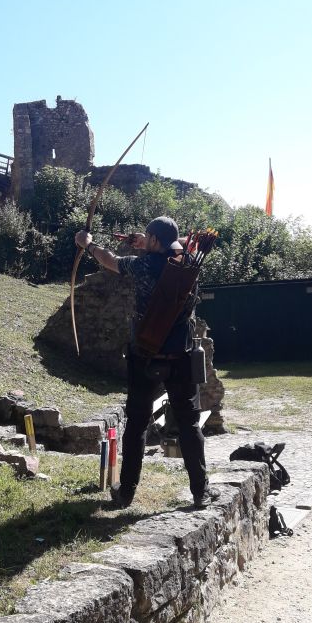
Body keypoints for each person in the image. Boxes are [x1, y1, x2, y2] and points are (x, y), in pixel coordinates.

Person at [74, 216, 220, 510]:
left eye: (149, 238)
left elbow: (110, 260)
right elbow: (176, 247)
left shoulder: (141, 266)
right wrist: (149, 241)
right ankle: (200, 492)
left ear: (154, 240)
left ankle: (126, 493)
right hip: (181, 355)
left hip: (145, 355)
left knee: (137, 423)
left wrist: (88, 245)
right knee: (189, 423)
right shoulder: (188, 263)